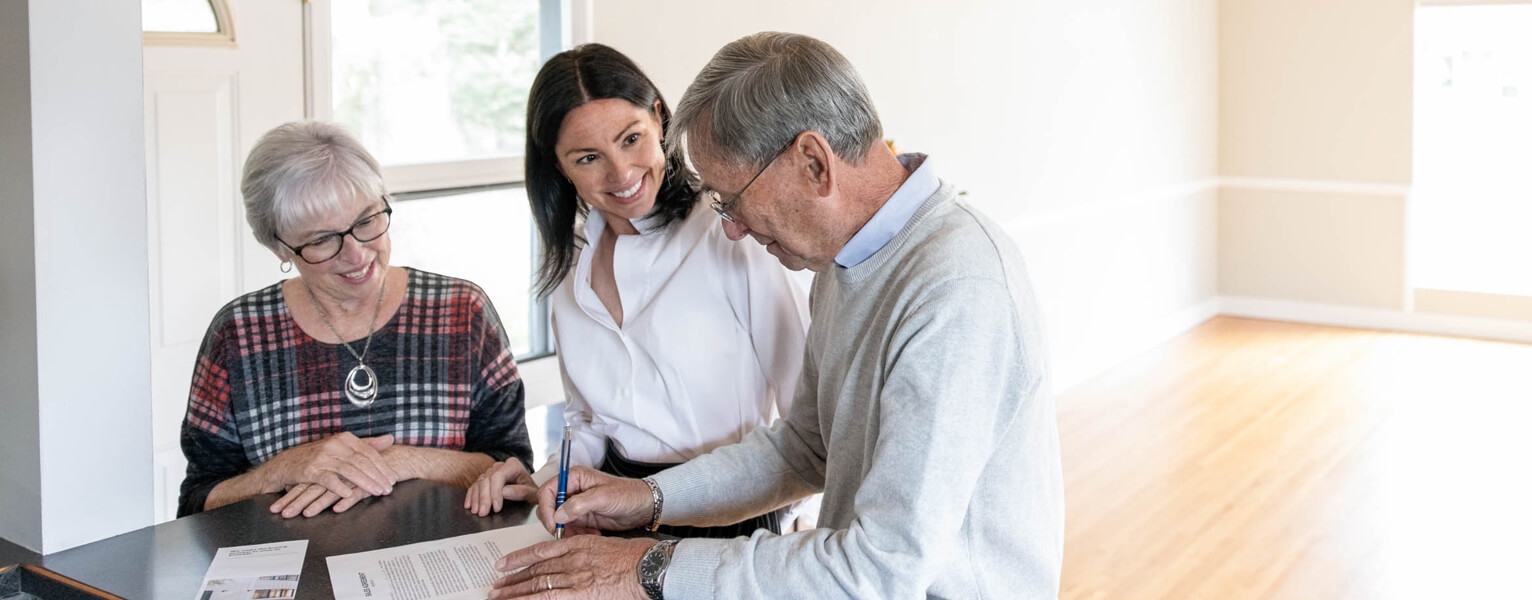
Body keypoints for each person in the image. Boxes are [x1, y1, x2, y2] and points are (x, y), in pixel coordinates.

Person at [492, 32, 1064, 599]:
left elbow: (882, 568)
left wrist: (646, 566)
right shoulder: (845, 265)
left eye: (730, 199)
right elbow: (804, 448)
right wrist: (649, 499)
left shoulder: (956, 291)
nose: (731, 227)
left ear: (813, 163)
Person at [461, 43, 810, 540]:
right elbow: (589, 420)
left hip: (729, 513)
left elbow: (810, 414)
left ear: (660, 119)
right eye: (588, 157)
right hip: (608, 510)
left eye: (631, 139)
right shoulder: (571, 263)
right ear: (559, 167)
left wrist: (788, 520)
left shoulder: (732, 235)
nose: (622, 174)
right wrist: (549, 479)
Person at [178, 122, 532, 519]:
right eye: (323, 239)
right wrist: (282, 470)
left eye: (366, 221)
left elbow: (516, 476)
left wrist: (400, 462)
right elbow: (197, 504)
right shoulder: (237, 334)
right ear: (279, 246)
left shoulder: (462, 312)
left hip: (440, 570)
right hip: (299, 573)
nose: (357, 254)